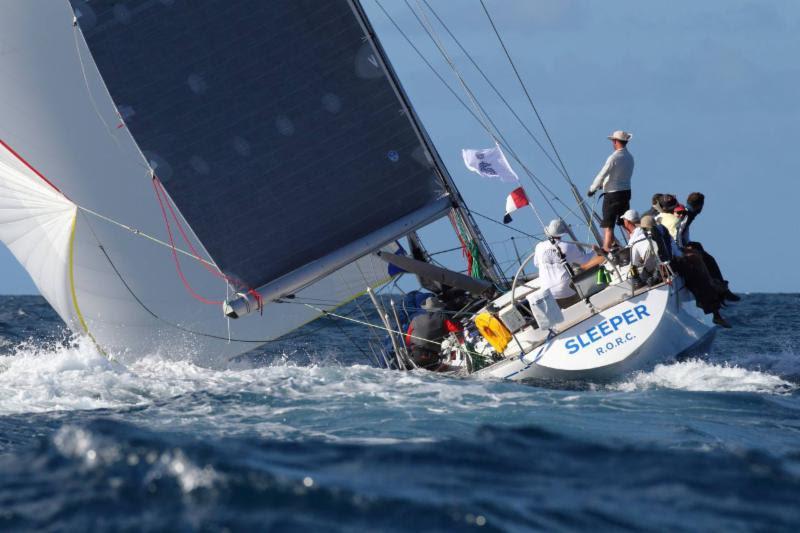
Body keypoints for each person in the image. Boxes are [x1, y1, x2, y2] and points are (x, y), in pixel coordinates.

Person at [678, 192, 740, 302]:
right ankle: (721, 289)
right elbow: (677, 231)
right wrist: (683, 247)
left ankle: (721, 286)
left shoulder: (688, 213)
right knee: (709, 260)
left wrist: (688, 243)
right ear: (699, 205)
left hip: (681, 243)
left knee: (699, 247)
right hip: (677, 246)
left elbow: (684, 232)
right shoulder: (686, 214)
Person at [533, 219, 606, 309]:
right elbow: (585, 261)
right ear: (563, 234)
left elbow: (537, 264)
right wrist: (595, 251)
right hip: (565, 292)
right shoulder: (569, 246)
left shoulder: (539, 246)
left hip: (547, 294)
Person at [588, 130, 634, 251]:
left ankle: (606, 248)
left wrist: (592, 188)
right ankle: (633, 243)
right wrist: (603, 184)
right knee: (625, 221)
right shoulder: (630, 157)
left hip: (613, 194)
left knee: (608, 224)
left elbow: (603, 173)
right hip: (626, 192)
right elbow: (618, 175)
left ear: (615, 141)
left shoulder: (614, 157)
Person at [405, 296, 459, 369]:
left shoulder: (415, 319)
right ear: (439, 307)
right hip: (430, 359)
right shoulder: (443, 318)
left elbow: (408, 340)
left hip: (414, 357)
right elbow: (457, 330)